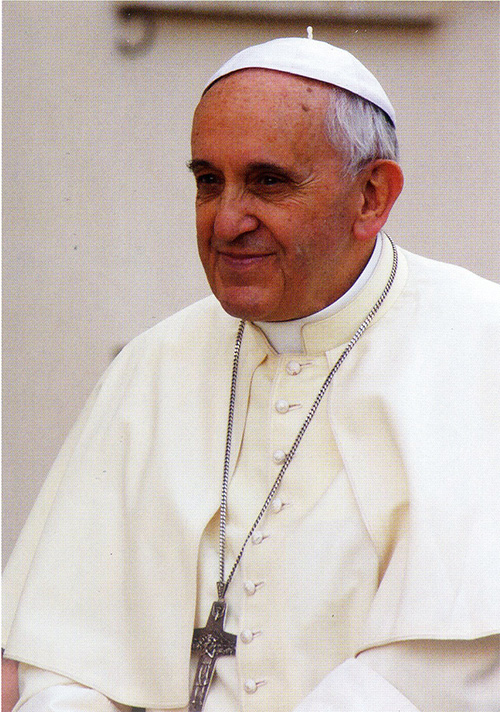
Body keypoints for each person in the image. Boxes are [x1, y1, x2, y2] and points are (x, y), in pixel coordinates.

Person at [2, 37, 499, 712]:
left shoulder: (478, 346)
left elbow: (445, 672)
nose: (226, 220)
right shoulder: (154, 365)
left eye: (268, 181)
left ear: (372, 196)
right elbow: (63, 663)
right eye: (208, 181)